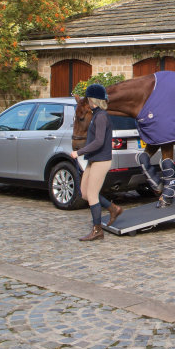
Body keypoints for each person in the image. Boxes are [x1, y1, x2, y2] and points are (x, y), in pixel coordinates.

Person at [71, 83, 123, 240]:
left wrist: (79, 152)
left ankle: (97, 230)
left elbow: (99, 141)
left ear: (94, 100)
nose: (88, 102)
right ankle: (112, 208)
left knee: (92, 195)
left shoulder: (101, 116)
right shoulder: (96, 115)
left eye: (89, 99)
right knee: (85, 193)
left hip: (101, 160)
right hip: (93, 159)